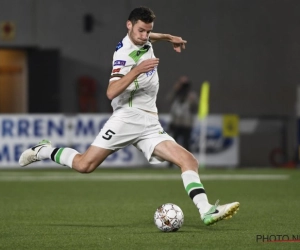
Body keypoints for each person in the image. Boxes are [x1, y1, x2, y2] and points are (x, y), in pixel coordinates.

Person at [19, 6, 239, 226]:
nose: (145, 36)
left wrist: (168, 37)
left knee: (189, 160)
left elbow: (150, 36)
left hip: (150, 122)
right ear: (129, 25)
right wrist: (137, 70)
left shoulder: (143, 38)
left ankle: (206, 210)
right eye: (141, 31)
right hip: (128, 117)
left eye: (148, 31)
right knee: (85, 165)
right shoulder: (124, 55)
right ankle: (44, 150)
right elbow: (111, 92)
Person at [168, 75, 198, 152]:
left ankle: (187, 162)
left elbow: (195, 107)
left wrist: (192, 100)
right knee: (173, 143)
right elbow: (168, 100)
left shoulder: (191, 95)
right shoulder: (176, 94)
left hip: (186, 123)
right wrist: (175, 90)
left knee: (186, 143)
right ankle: (171, 162)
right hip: (176, 122)